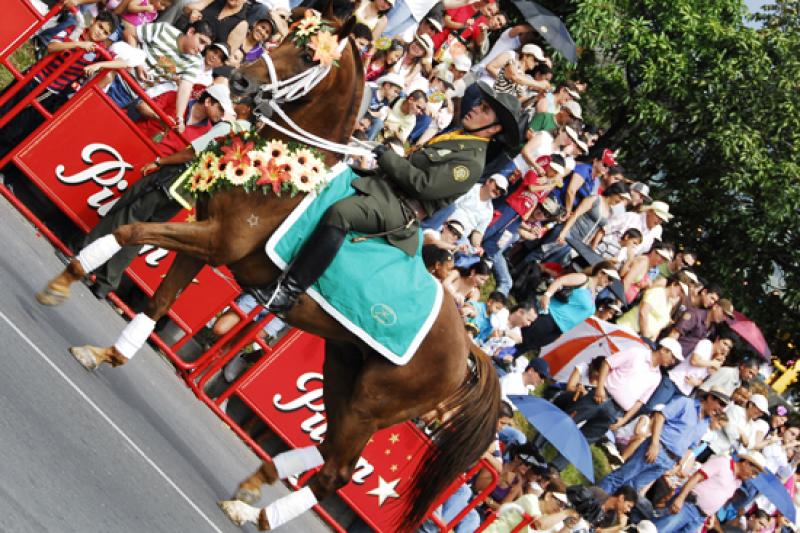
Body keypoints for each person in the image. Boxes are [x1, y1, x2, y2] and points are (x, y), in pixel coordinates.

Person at [251, 82, 521, 317]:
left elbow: (423, 186)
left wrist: (388, 157)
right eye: (480, 103)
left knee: (341, 213)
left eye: (484, 110)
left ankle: (288, 292)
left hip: (401, 208)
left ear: (494, 128)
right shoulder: (460, 136)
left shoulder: (472, 161)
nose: (475, 108)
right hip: (385, 187)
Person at [80, 88, 245, 298]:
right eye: (221, 108)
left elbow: (191, 152)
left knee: (126, 217)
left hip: (169, 180)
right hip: (186, 194)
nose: (222, 113)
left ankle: (86, 261)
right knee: (140, 233)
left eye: (225, 109)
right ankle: (105, 283)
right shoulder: (247, 142)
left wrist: (160, 162)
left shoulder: (227, 128)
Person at [0, 11, 122, 158]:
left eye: (105, 32)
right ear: (93, 21)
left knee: (16, 129)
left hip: (50, 93)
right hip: (33, 79)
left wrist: (99, 65)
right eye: (100, 26)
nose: (100, 33)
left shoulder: (99, 51)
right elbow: (51, 46)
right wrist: (78, 44)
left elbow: (124, 64)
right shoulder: (74, 31)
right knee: (4, 106)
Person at [599, 388, 729, 493]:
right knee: (620, 477)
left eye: (724, 406)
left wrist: (677, 465)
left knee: (632, 489)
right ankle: (593, 501)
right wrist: (654, 443)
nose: (721, 409)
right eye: (721, 403)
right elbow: (660, 416)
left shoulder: (705, 424)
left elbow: (691, 447)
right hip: (658, 447)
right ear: (710, 397)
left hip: (669, 461)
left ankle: (601, 510)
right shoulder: (686, 403)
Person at [570, 337, 683, 444]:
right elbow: (607, 363)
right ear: (664, 350)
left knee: (586, 439)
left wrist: (624, 420)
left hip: (617, 410)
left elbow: (640, 401)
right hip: (602, 395)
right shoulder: (636, 353)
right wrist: (599, 388)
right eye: (672, 357)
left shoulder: (657, 377)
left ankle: (558, 464)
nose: (672, 361)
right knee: (570, 421)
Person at [516, 262, 620, 354]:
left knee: (528, 346)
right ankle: (502, 355)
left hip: (559, 329)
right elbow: (560, 280)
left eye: (612, 281)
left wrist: (565, 333)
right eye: (609, 278)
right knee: (521, 339)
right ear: (601, 273)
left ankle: (508, 358)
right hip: (550, 317)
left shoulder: (594, 293)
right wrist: (547, 295)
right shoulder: (584, 279)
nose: (610, 282)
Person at [653, 453, 765, 533]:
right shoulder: (723, 462)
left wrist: (711, 515)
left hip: (700, 517)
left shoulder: (738, 482)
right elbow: (696, 477)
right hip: (689, 505)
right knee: (659, 530)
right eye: (753, 472)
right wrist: (680, 498)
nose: (752, 476)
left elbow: (719, 498)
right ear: (746, 463)